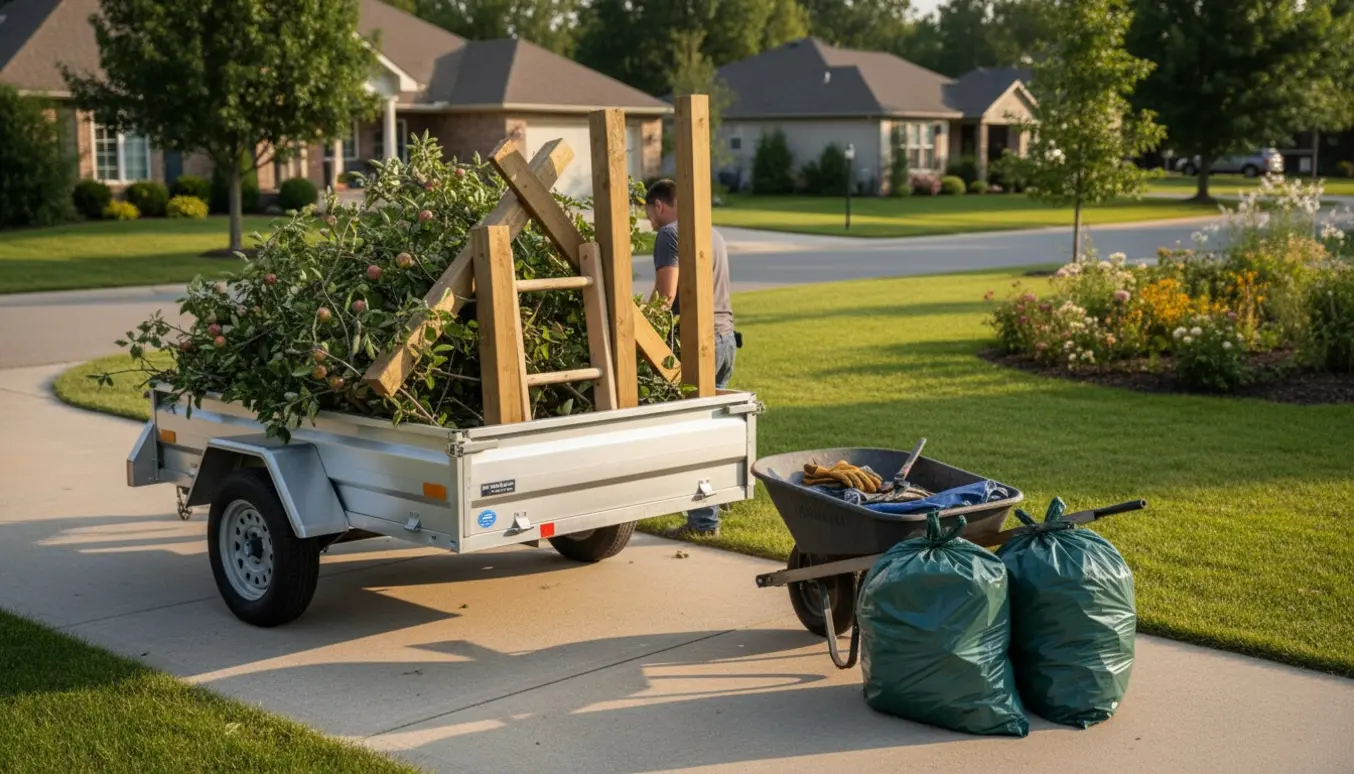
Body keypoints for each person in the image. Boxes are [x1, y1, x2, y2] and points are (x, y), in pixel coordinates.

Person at [644, 178, 737, 538]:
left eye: (648, 213)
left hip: (699, 345)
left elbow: (665, 297)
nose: (649, 221)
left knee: (693, 433)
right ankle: (720, 498)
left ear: (659, 205)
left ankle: (703, 522)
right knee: (715, 430)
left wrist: (639, 324)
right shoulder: (712, 233)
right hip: (726, 339)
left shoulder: (669, 234)